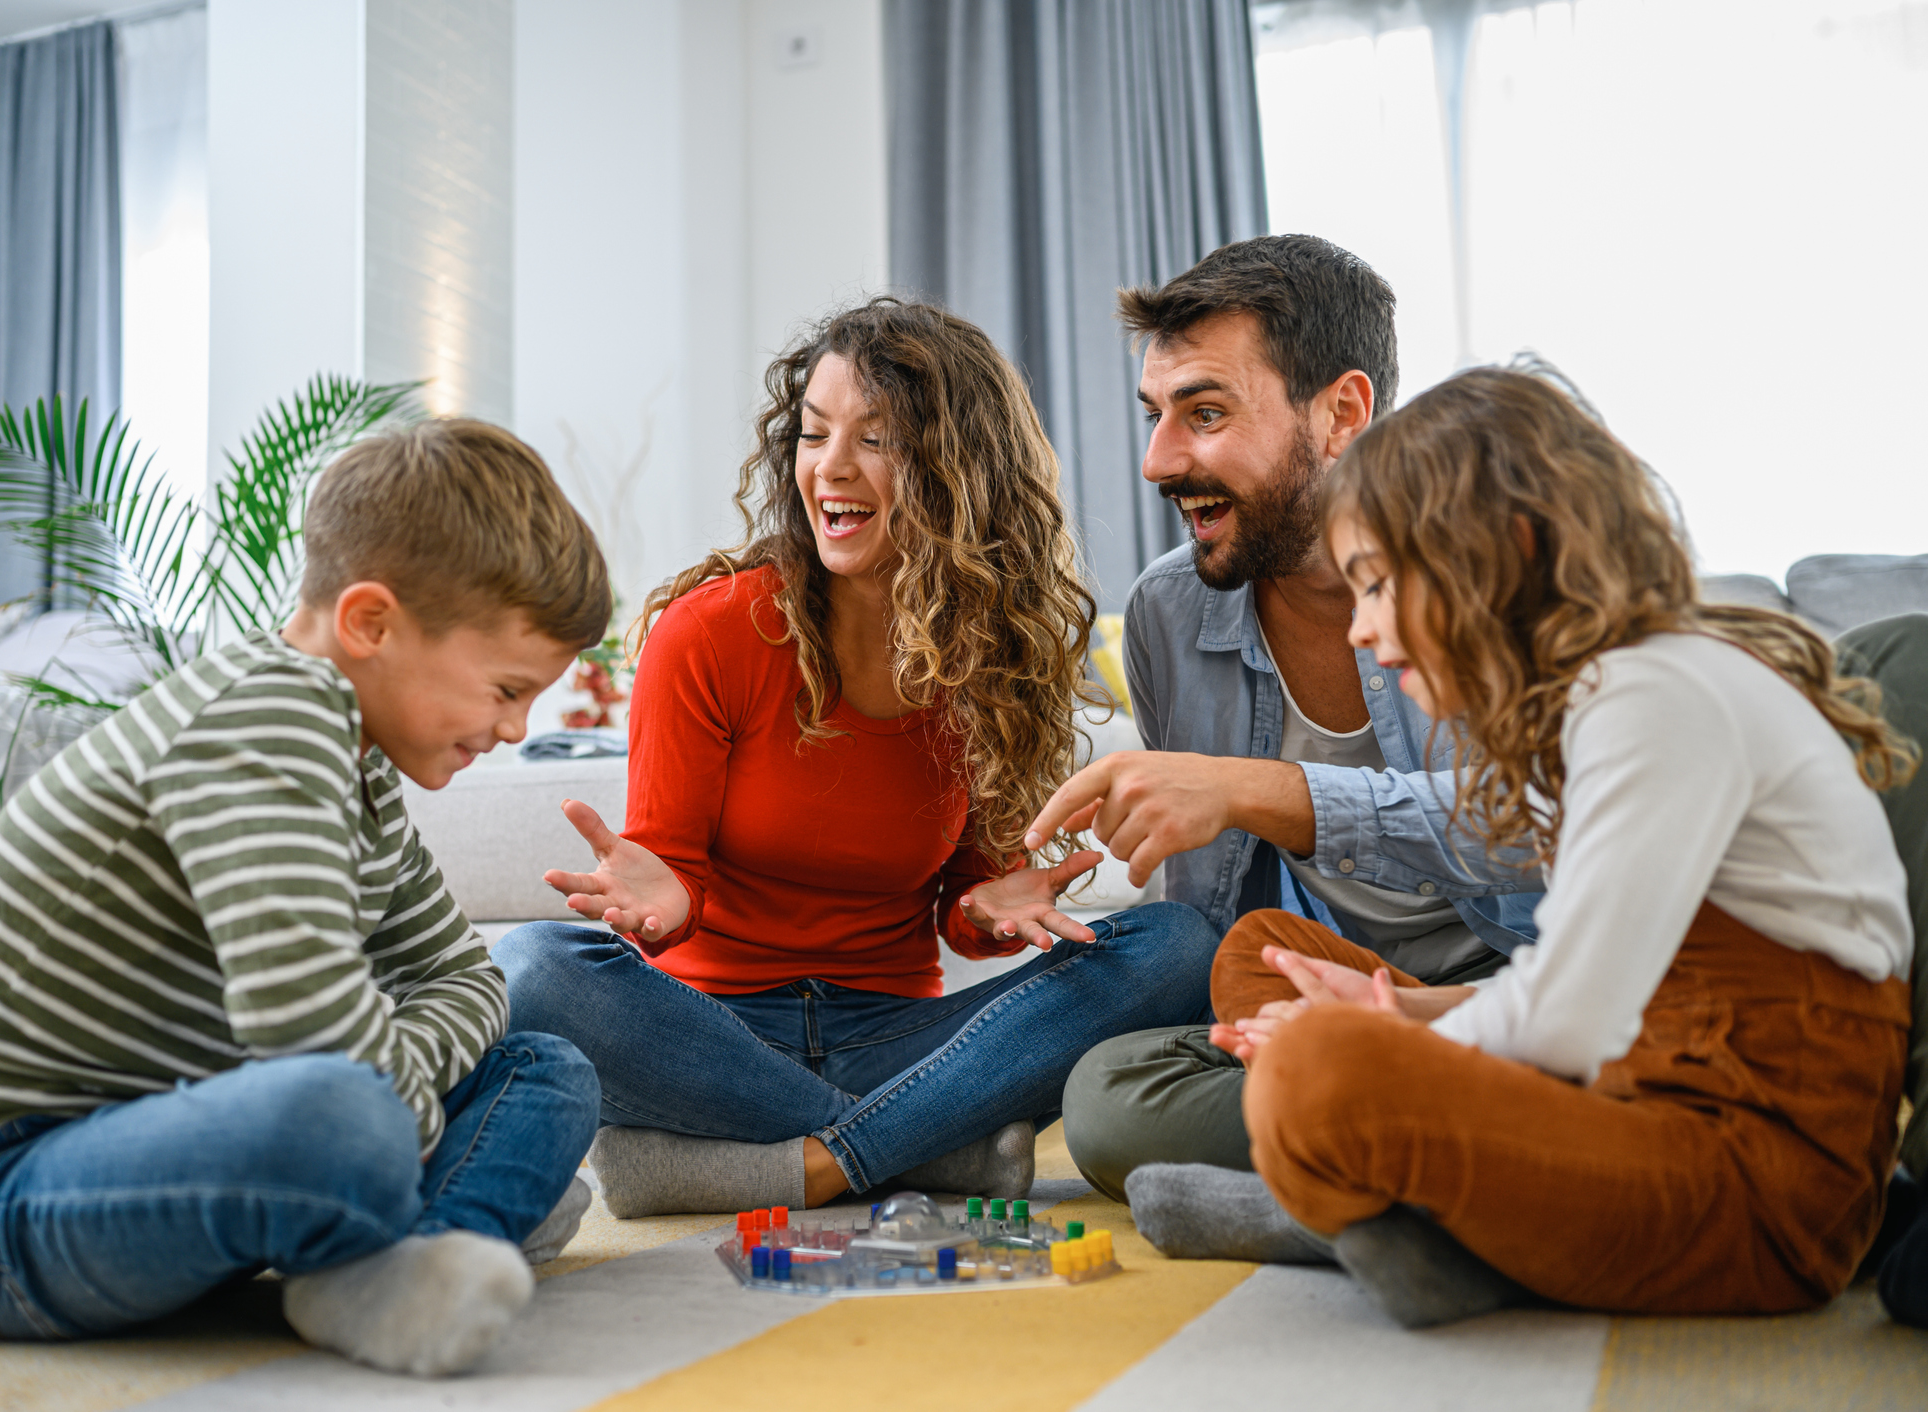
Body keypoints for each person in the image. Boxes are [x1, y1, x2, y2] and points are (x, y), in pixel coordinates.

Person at [1125, 365, 1916, 1327]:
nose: (1365, 632)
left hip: (1747, 1186)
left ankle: (1359, 1217)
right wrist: (1409, 1020)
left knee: (1316, 1074)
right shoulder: (1600, 704)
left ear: (1508, 550)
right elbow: (1608, 995)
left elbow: (1573, 1022)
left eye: (1378, 585)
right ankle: (1425, 1224)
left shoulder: (1655, 694)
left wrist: (1383, 1041)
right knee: (1264, 951)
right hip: (1623, 1095)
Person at [0, 421, 613, 1377]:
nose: (515, 729)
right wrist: (398, 1104)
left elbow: (458, 970)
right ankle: (438, 1213)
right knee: (346, 1114)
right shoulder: (267, 714)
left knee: (547, 1070)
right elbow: (320, 1048)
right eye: (506, 689)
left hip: (172, 1134)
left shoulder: (365, 769)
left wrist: (394, 1083)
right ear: (370, 623)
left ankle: (396, 1253)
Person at [493, 298, 1223, 1218]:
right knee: (533, 970)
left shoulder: (991, 658)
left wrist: (988, 909)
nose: (828, 469)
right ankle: (923, 1149)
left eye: (874, 439)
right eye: (812, 433)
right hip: (713, 1038)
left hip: (900, 1036)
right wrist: (669, 898)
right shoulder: (714, 632)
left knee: (1176, 947)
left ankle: (802, 1163)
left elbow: (968, 900)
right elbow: (668, 869)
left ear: (960, 471)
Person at [1046, 235, 1542, 1203]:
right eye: (1155, 416)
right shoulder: (1167, 614)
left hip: (1515, 977)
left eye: (1204, 412)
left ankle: (1382, 1145)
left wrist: (1252, 790)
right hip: (1319, 987)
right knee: (1105, 1099)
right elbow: (1205, 919)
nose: (1157, 460)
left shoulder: (1484, 580)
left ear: (1341, 414)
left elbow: (1535, 833)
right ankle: (1426, 1146)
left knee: (1629, 1022)